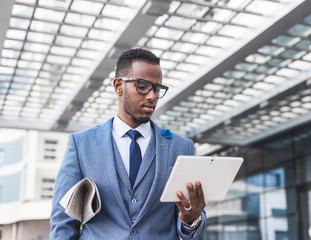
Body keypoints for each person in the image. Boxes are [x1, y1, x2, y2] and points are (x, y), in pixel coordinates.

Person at [50, 48, 206, 239]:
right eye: (142, 86)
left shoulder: (181, 147)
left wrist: (190, 220)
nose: (152, 96)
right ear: (118, 86)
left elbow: (193, 225)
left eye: (157, 89)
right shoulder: (82, 144)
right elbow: (63, 221)